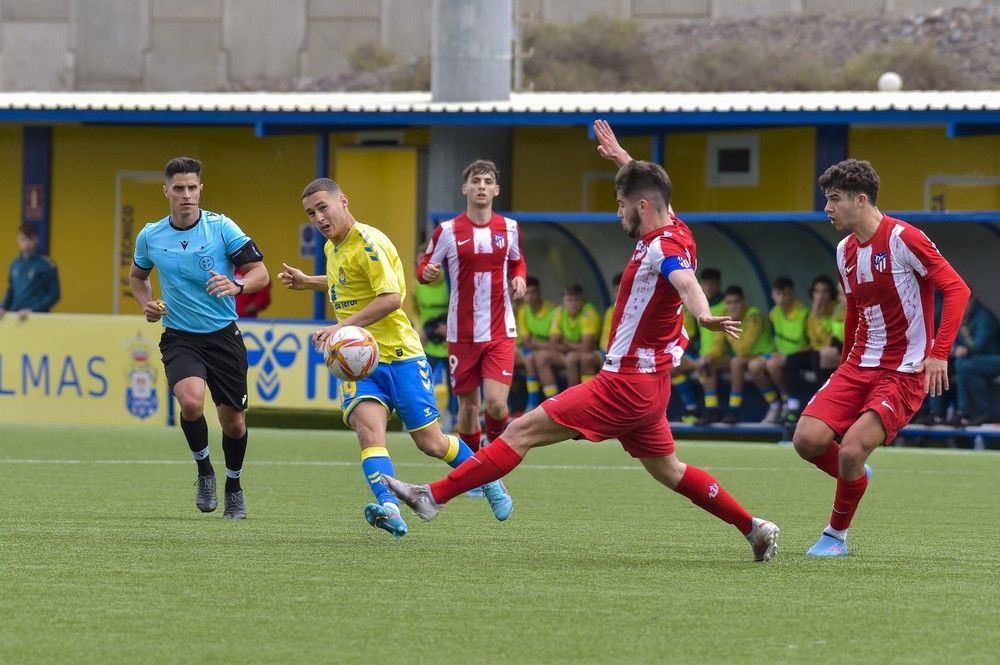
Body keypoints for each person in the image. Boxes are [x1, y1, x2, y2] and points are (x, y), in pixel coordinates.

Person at [384, 141, 780, 563]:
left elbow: (685, 282)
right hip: (650, 385)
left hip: (624, 384)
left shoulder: (665, 248)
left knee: (520, 431)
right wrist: (622, 161)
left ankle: (433, 497)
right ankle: (753, 528)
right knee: (671, 470)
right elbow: (650, 190)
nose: (618, 213)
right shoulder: (678, 228)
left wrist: (703, 314)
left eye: (621, 205)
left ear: (642, 207)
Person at [277, 177, 512, 539]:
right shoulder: (333, 248)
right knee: (368, 432)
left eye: (323, 208)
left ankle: (490, 481)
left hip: (400, 354)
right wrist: (310, 282)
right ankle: (389, 508)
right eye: (311, 213)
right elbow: (344, 279)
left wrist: (340, 329)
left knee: (430, 443)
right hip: (361, 363)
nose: (319, 218)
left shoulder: (369, 241)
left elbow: (390, 298)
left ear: (344, 201)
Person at [792, 159, 970, 557]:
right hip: (858, 365)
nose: (828, 209)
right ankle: (854, 476)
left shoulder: (904, 238)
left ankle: (835, 537)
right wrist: (843, 365)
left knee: (851, 451)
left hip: (904, 371)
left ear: (861, 199)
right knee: (806, 440)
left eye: (834, 200)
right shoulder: (844, 250)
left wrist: (938, 354)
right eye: (827, 200)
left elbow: (957, 290)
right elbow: (854, 311)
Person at [130, 157, 270, 520]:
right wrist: (148, 304)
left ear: (200, 189)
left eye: (192, 188)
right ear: (166, 191)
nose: (186, 195)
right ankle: (204, 471)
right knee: (191, 403)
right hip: (180, 336)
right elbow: (137, 276)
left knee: (234, 423)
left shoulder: (221, 228)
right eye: (179, 189)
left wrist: (237, 284)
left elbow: (260, 273)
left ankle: (233, 485)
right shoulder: (150, 235)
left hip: (223, 336)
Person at [417, 160, 527, 454]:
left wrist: (518, 279)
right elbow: (426, 266)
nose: (482, 186)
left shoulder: (510, 228)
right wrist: (426, 273)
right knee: (468, 408)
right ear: (464, 188)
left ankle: (494, 457)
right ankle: (470, 467)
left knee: (496, 402)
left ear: (496, 190)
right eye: (476, 181)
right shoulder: (448, 230)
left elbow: (517, 261)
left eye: (488, 181)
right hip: (461, 332)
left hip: (500, 329)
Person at [710, 285, 781, 425]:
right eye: (729, 303)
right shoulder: (725, 315)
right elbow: (718, 344)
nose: (732, 306)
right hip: (744, 358)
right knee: (708, 363)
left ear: (743, 302)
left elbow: (744, 348)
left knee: (740, 362)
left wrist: (731, 326)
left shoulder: (754, 315)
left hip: (765, 355)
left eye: (736, 302)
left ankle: (775, 404)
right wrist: (709, 355)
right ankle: (716, 409)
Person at [413, 245, 456, 431]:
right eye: (420, 260)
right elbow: (414, 311)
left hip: (451, 343)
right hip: (428, 342)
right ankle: (421, 421)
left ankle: (455, 421)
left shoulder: (449, 282)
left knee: (455, 386)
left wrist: (451, 327)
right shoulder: (416, 285)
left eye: (427, 260)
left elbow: (460, 307)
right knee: (420, 381)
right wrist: (419, 330)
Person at [535, 283, 603, 392]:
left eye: (576, 300)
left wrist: (565, 343)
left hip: (592, 352)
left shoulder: (588, 313)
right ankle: (552, 400)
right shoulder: (559, 312)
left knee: (572, 358)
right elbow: (553, 343)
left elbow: (586, 347)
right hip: (568, 352)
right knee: (542, 357)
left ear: (582, 300)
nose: (573, 304)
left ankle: (573, 399)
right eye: (569, 300)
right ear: (563, 301)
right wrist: (569, 346)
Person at [947, 295, 1000, 426]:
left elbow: (977, 346)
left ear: (970, 301)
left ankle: (985, 411)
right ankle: (957, 412)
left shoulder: (984, 317)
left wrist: (962, 350)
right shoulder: (961, 317)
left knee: (965, 366)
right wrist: (955, 350)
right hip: (973, 361)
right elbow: (950, 344)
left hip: (994, 358)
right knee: (957, 365)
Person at [764, 277, 810, 423]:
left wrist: (788, 356)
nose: (782, 298)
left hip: (801, 357)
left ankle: (788, 402)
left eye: (786, 294)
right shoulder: (773, 314)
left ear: (792, 294)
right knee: (756, 366)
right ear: (772, 294)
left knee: (773, 365)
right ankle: (778, 404)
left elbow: (812, 344)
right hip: (780, 355)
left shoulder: (804, 313)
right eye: (778, 294)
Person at [0, 223, 60, 321]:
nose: (26, 243)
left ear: (36, 240)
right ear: (18, 240)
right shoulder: (15, 264)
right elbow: (11, 290)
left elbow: (55, 294)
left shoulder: (46, 265)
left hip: (36, 318)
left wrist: (33, 310)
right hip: (16, 317)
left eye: (30, 239)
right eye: (23, 239)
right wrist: (3, 307)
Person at [516, 275, 556, 411]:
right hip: (536, 351)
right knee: (530, 358)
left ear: (539, 293)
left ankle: (553, 401)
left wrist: (536, 342)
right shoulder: (523, 311)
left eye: (534, 292)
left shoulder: (552, 310)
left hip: (557, 351)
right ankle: (532, 403)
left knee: (539, 357)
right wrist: (540, 343)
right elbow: (527, 341)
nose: (530, 296)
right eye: (527, 293)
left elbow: (554, 343)